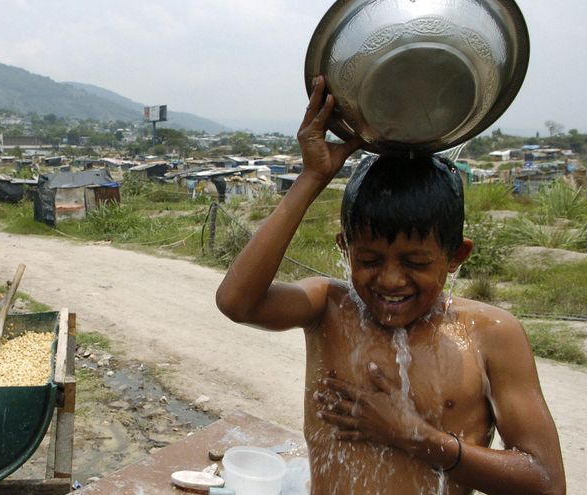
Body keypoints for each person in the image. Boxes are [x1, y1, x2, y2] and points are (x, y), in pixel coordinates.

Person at [215, 76, 565, 494]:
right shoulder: (329, 306)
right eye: (368, 260)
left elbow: (545, 481)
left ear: (456, 256)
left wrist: (414, 435)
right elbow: (237, 302)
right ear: (344, 248)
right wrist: (312, 176)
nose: (390, 280)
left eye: (416, 262)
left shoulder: (491, 335)